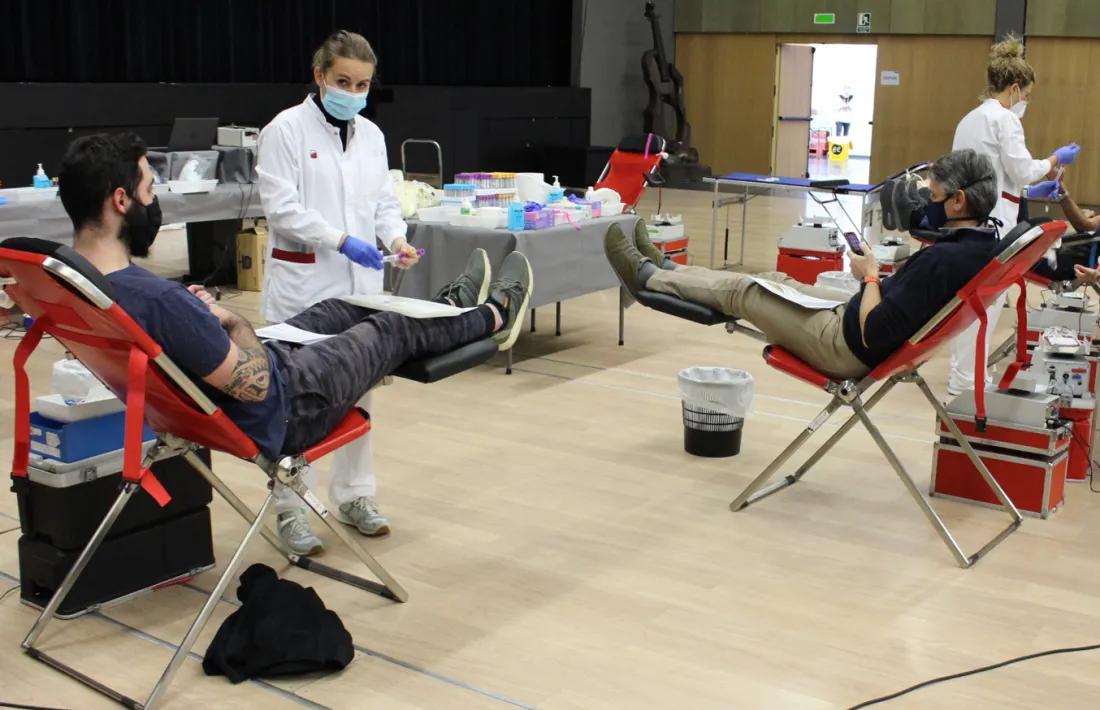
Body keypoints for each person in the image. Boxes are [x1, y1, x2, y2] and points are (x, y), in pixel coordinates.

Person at [56, 133, 533, 557]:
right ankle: (493, 315)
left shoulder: (79, 286)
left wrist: (198, 319)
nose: (153, 199)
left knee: (348, 306)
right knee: (392, 329)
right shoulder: (156, 298)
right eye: (148, 189)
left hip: (231, 388)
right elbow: (255, 385)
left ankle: (451, 310)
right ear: (121, 201)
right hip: (286, 405)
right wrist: (226, 319)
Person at [606, 150, 1009, 379]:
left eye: (935, 197)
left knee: (746, 292)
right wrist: (873, 283)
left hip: (848, 346)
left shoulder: (944, 258)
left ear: (958, 202)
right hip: (854, 319)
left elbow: (875, 331)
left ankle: (649, 277)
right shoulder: (979, 243)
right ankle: (671, 270)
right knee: (772, 278)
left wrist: (869, 274)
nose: (928, 207)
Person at [256, 30, 429, 547]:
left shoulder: (372, 136)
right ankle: (291, 507)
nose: (353, 92)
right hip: (305, 285)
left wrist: (394, 237)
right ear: (320, 76)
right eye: (343, 81)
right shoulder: (284, 130)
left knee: (360, 389)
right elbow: (282, 209)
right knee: (297, 398)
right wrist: (341, 240)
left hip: (361, 286)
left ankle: (354, 494)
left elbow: (382, 201)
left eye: (363, 84)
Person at [947, 34, 1082, 395]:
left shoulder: (969, 120)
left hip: (970, 218)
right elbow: (1021, 168)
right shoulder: (1004, 120)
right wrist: (1055, 160)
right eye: (1028, 95)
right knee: (987, 303)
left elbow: (994, 173)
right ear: (1016, 88)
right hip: (993, 222)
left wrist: (1029, 193)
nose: (1027, 102)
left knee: (976, 299)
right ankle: (966, 383)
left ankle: (966, 378)